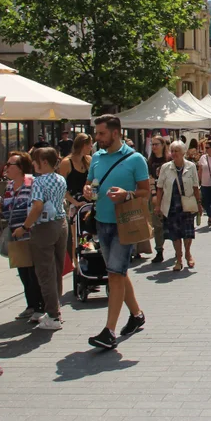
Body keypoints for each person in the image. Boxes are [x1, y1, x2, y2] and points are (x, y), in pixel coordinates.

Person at [82, 115, 149, 350]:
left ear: (116, 133)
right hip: (102, 221)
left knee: (114, 275)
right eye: (96, 134)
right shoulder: (97, 157)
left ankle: (109, 331)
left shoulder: (135, 159)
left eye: (101, 134)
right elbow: (89, 182)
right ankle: (137, 314)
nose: (97, 138)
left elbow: (145, 191)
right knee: (118, 272)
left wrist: (126, 194)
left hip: (124, 223)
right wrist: (87, 189)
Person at [13, 148, 68, 331]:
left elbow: (37, 206)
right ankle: (55, 310)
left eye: (36, 161)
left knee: (45, 272)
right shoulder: (60, 178)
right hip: (61, 223)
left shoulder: (39, 181)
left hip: (44, 227)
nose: (34, 165)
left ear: (44, 161)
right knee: (57, 269)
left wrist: (25, 227)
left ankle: (53, 315)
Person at [1, 152, 42, 321]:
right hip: (15, 233)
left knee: (33, 272)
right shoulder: (10, 186)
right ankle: (30, 305)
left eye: (10, 164)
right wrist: (0, 204)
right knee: (23, 271)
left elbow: (35, 207)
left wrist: (25, 226)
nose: (6, 167)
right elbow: (7, 208)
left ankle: (40, 305)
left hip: (29, 233)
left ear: (20, 168)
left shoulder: (30, 183)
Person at [156, 140, 201, 272]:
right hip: (171, 205)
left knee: (187, 233)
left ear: (183, 153)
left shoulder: (191, 166)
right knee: (175, 234)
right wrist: (158, 205)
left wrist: (199, 203)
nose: (174, 153)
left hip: (187, 205)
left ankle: (187, 253)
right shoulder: (166, 167)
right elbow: (159, 188)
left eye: (177, 151)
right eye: (172, 151)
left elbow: (195, 186)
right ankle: (179, 258)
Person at [145, 135, 168, 263]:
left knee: (171, 224)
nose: (153, 147)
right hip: (156, 196)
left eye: (156, 144)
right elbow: (150, 179)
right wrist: (154, 195)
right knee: (157, 224)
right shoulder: (150, 162)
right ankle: (159, 250)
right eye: (152, 144)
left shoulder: (169, 159)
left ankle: (178, 250)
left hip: (169, 195)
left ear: (162, 145)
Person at [60, 132, 92, 213]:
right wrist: (76, 203)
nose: (91, 147)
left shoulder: (89, 160)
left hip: (88, 202)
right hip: (73, 204)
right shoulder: (66, 163)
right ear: (84, 145)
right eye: (90, 145)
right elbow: (61, 188)